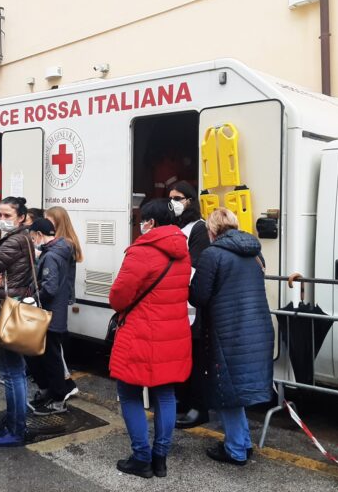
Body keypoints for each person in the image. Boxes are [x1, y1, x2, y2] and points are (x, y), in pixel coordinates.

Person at [108, 199, 191, 479]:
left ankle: (141, 457)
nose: (140, 225)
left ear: (151, 223)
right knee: (166, 396)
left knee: (130, 393)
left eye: (142, 220)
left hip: (140, 334)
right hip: (173, 334)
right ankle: (160, 459)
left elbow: (118, 297)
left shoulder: (141, 252)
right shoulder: (183, 251)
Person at [189, 207, 274, 466]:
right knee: (235, 389)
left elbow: (199, 296)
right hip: (256, 328)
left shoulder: (212, 255)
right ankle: (243, 443)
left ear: (212, 230)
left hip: (227, 331)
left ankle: (236, 449)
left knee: (226, 389)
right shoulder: (255, 251)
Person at [0, 196, 35, 447]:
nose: (2, 220)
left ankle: (16, 428)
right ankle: (14, 420)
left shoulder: (14, 241)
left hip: (5, 309)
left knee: (12, 372)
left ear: (21, 217)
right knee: (15, 371)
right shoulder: (20, 237)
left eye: (8, 216)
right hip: (12, 306)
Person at [169, 181, 212, 429]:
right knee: (181, 356)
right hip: (177, 303)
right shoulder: (176, 226)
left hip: (192, 304)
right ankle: (184, 400)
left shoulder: (198, 228)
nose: (173, 202)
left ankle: (199, 407)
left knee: (195, 358)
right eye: (170, 198)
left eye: (178, 197)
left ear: (190, 201)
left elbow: (194, 265)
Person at [25, 218, 74, 415]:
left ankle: (57, 400)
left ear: (38, 234)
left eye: (32, 236)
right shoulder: (62, 250)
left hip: (49, 315)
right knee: (48, 356)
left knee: (50, 359)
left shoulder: (51, 256)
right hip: (57, 314)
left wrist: (32, 298)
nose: (32, 239)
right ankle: (51, 394)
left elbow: (50, 287)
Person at [43, 205, 84, 401]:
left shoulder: (59, 247)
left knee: (54, 349)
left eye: (49, 220)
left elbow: (51, 284)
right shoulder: (69, 243)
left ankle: (63, 387)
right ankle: (65, 384)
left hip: (55, 304)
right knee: (55, 347)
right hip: (62, 300)